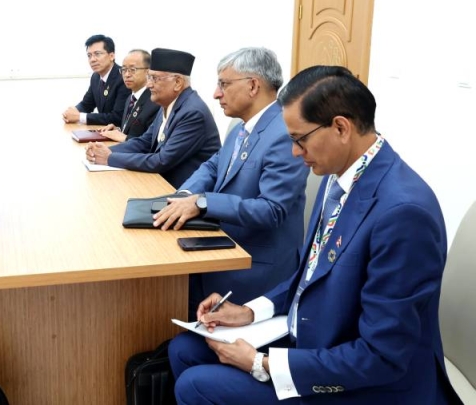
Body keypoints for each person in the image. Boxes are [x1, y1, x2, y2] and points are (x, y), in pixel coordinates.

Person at [168, 66, 462, 404]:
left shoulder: (404, 214)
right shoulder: (338, 174)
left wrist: (261, 364)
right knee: (185, 349)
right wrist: (250, 311)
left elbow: (382, 356)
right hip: (318, 336)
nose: (295, 152)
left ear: (340, 128)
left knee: (196, 385)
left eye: (299, 139)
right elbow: (311, 275)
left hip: (369, 383)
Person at [152, 47, 308, 310]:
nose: (216, 93)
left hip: (253, 266)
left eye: (224, 84)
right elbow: (213, 166)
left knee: (165, 291)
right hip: (222, 246)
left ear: (253, 86)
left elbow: (271, 210)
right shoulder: (241, 127)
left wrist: (202, 203)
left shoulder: (284, 133)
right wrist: (183, 196)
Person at [86, 48, 220, 188]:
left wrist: (110, 158)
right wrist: (104, 150)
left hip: (182, 190)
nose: (149, 84)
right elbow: (144, 142)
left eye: (155, 78)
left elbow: (162, 160)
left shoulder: (193, 113)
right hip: (161, 181)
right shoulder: (167, 104)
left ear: (178, 82)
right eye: (149, 77)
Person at [62, 34, 131, 126]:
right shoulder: (95, 77)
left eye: (97, 54)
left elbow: (117, 117)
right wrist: (73, 111)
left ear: (111, 56)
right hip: (104, 130)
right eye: (89, 55)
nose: (92, 59)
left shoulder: (123, 77)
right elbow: (86, 104)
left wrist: (80, 117)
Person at [97, 49, 159, 142]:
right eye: (124, 70)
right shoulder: (130, 98)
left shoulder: (154, 102)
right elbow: (132, 131)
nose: (126, 75)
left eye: (132, 70)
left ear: (148, 72)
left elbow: (151, 142)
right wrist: (118, 131)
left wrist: (124, 138)